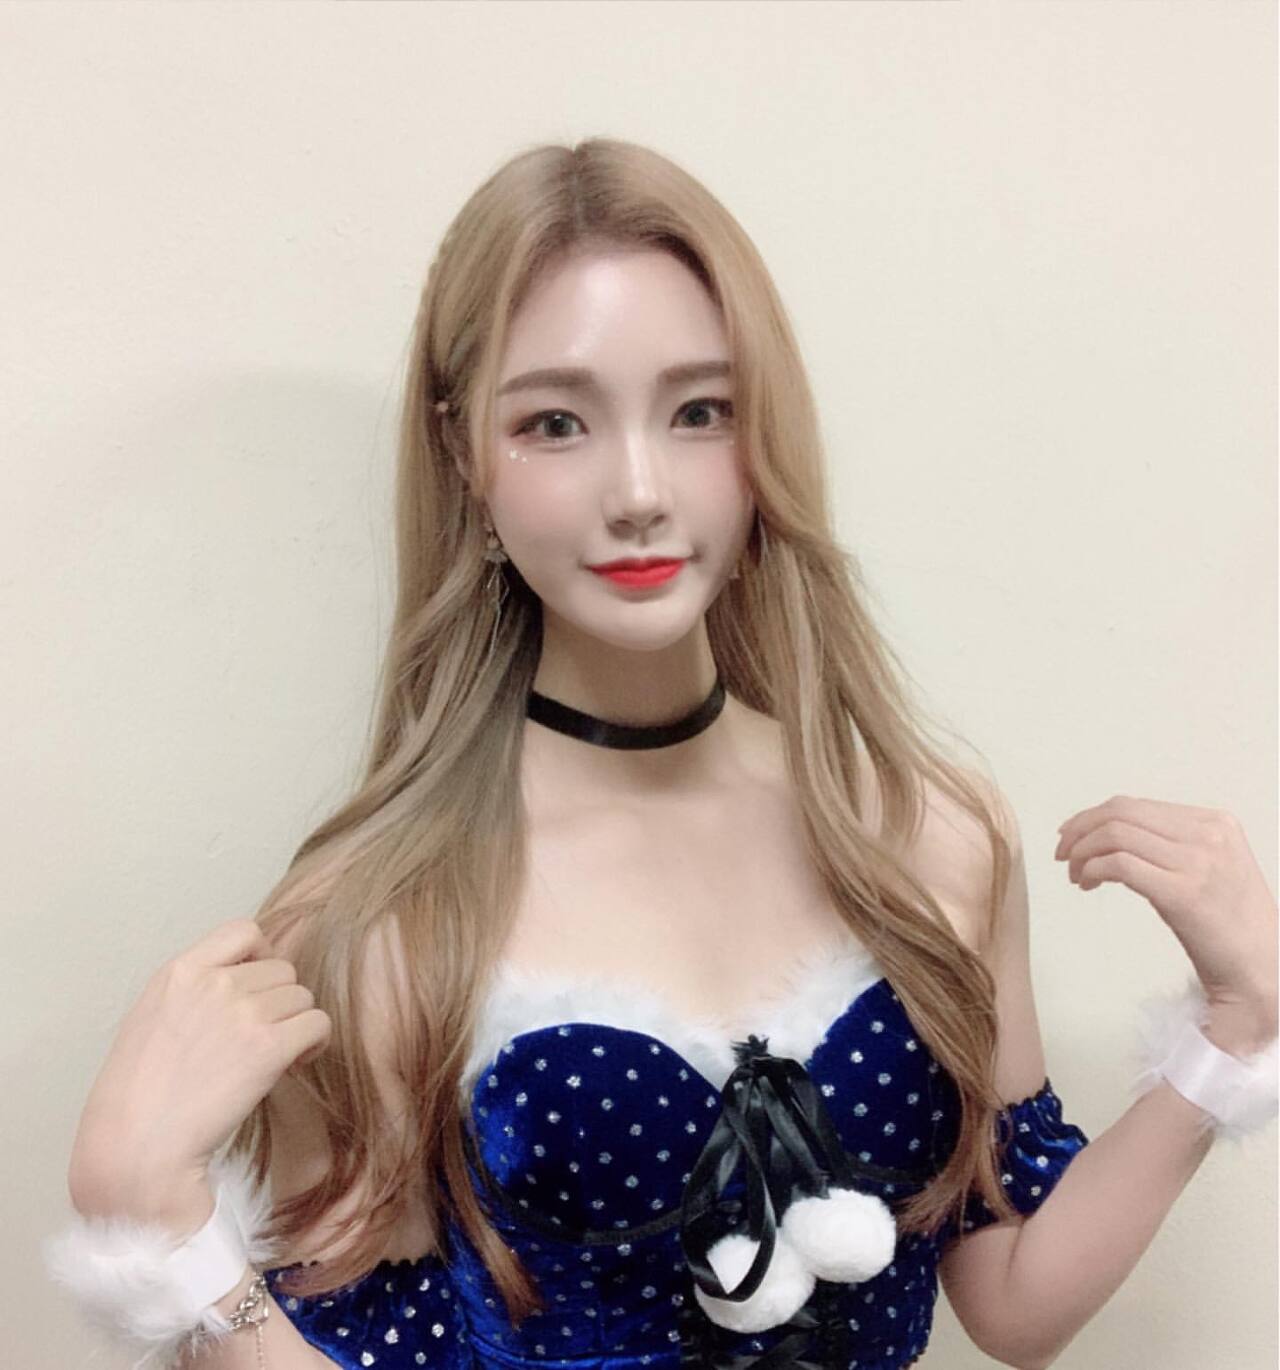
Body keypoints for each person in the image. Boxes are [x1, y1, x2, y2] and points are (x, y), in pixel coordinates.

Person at [43, 137, 1278, 1370]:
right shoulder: (381, 919)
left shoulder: (930, 832)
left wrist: (1234, 1030)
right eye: (555, 422)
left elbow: (1012, 1299)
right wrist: (164, 1234)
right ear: (464, 454)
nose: (637, 490)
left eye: (698, 412)